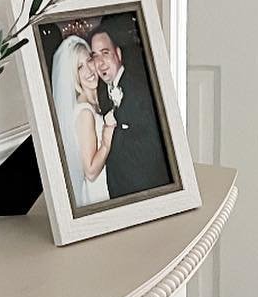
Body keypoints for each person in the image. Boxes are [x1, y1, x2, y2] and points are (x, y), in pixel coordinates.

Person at [90, 20, 173, 200]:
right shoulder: (102, 91)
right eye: (95, 56)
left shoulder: (143, 87)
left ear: (118, 54)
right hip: (118, 191)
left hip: (147, 188)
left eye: (105, 53)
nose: (100, 62)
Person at [51, 34, 114, 208]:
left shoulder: (97, 101)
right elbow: (91, 171)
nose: (89, 70)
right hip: (99, 193)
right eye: (79, 67)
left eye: (89, 61)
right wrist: (106, 143)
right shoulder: (84, 112)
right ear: (73, 75)